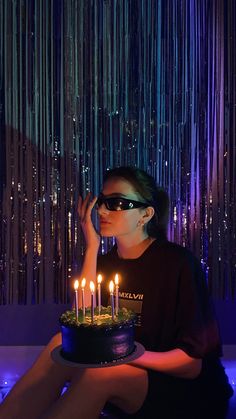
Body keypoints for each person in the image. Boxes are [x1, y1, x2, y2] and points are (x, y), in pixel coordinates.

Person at [0, 165, 233, 419]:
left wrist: (125, 355)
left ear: (145, 215)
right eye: (101, 201)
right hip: (124, 372)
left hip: (188, 392)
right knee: (62, 342)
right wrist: (91, 247)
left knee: (103, 372)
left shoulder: (177, 264)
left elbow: (191, 364)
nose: (101, 210)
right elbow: (83, 327)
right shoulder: (108, 263)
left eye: (117, 203)